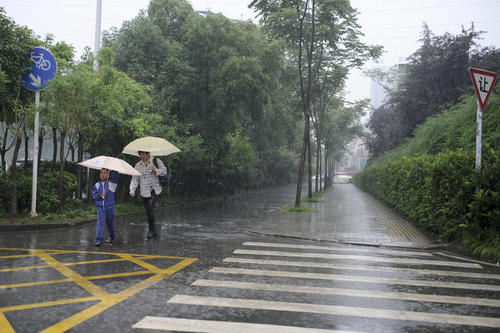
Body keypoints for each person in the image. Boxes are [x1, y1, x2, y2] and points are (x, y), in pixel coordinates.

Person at [129, 151, 167, 239]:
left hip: (154, 189)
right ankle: (153, 230)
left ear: (148, 154)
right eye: (140, 154)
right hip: (144, 191)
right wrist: (132, 190)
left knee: (150, 207)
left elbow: (164, 172)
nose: (141, 156)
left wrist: (155, 170)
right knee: (148, 211)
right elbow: (135, 178)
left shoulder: (156, 161)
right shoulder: (138, 165)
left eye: (143, 154)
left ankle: (151, 230)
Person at [92, 168, 119, 246]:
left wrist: (112, 168)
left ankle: (111, 236)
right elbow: (94, 195)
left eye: (105, 173)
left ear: (108, 174)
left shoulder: (111, 184)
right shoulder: (97, 185)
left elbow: (116, 176)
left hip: (110, 208)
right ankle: (98, 239)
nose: (102, 175)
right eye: (101, 173)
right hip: (100, 208)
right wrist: (100, 196)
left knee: (110, 224)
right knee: (100, 223)